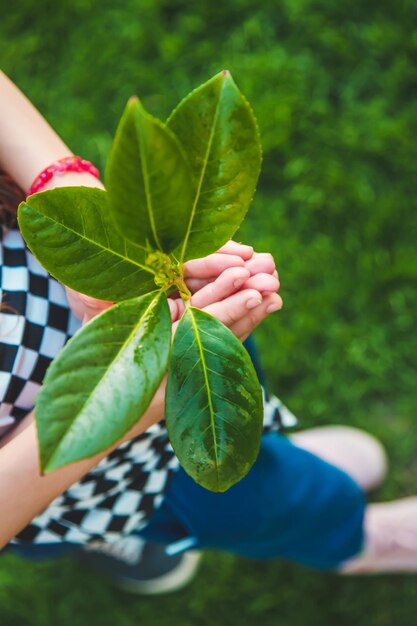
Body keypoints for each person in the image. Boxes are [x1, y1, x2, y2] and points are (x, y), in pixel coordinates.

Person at [0, 71, 416, 596]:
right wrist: (113, 410)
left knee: (242, 415)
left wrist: (74, 197)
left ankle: (279, 463)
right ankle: (353, 540)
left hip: (127, 297)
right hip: (84, 477)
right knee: (256, 502)